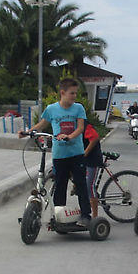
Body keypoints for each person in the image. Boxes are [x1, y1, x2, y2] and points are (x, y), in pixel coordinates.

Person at [22, 77, 91, 227]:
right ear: (62, 93)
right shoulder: (52, 109)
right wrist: (28, 132)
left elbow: (80, 128)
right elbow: (42, 124)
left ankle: (86, 215)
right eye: (71, 93)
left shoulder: (78, 108)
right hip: (60, 155)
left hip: (76, 153)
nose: (74, 96)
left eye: (75, 93)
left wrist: (69, 136)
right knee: (60, 185)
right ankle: (60, 217)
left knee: (80, 184)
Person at [82, 120, 103, 218]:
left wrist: (84, 154)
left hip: (92, 160)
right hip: (81, 159)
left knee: (89, 186)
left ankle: (95, 217)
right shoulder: (70, 124)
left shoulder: (85, 125)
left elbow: (94, 138)